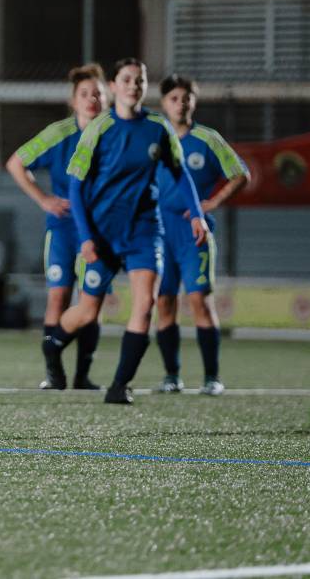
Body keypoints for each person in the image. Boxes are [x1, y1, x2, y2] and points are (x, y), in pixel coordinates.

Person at [56, 58, 207, 405]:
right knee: (88, 311)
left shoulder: (158, 127)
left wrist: (197, 214)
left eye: (139, 80)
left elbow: (180, 172)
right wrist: (86, 236)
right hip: (103, 232)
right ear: (113, 86)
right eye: (126, 80)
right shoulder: (99, 128)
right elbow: (75, 188)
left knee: (145, 304)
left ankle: (118, 385)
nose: (133, 86)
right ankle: (52, 347)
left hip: (144, 231)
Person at [6, 64, 106, 390]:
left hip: (100, 231)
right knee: (58, 296)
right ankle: (54, 373)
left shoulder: (114, 133)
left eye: (97, 93)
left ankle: (83, 375)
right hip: (63, 228)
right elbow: (16, 163)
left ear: (107, 99)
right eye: (84, 94)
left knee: (91, 302)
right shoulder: (59, 133)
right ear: (73, 101)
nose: (92, 99)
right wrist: (43, 199)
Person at [154, 74, 249, 396]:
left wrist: (211, 203)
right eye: (174, 98)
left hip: (193, 233)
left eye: (186, 98)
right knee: (164, 302)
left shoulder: (208, 139)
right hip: (159, 232)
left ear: (194, 102)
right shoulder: (155, 139)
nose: (181, 104)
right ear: (164, 103)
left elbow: (240, 174)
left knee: (200, 301)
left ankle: (211, 377)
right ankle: (171, 376)